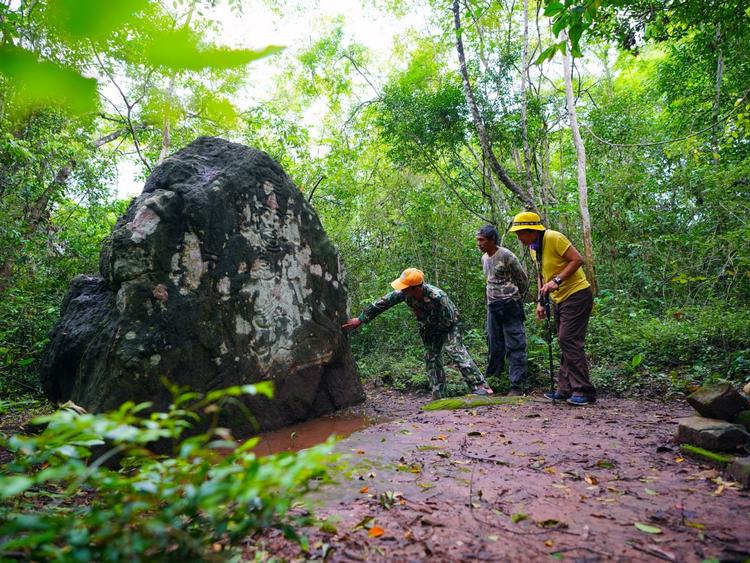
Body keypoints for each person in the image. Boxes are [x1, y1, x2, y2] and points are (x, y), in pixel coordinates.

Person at [342, 268, 494, 399]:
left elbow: (448, 321)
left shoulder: (438, 297)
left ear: (416, 288)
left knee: (454, 350)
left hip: (449, 325)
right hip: (430, 327)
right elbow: (382, 303)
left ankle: (481, 387)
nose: (401, 289)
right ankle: (439, 394)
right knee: (431, 357)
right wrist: (361, 319)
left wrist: (426, 320)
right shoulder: (404, 293)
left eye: (405, 287)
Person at [509, 212, 596, 406]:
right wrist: (541, 301)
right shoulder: (534, 248)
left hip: (576, 294)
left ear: (531, 230)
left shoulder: (554, 237)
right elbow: (542, 274)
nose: (519, 238)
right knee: (565, 341)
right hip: (558, 298)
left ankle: (584, 390)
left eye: (520, 233)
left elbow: (577, 260)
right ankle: (565, 389)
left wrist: (557, 280)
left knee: (568, 338)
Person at [476, 225, 529, 396]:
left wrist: (513, 296)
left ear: (492, 240)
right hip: (493, 306)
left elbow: (522, 279)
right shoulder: (484, 258)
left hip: (510, 305)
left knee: (515, 344)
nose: (479, 243)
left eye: (482, 240)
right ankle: (493, 382)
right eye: (478, 240)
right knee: (494, 344)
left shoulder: (506, 255)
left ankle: (517, 386)